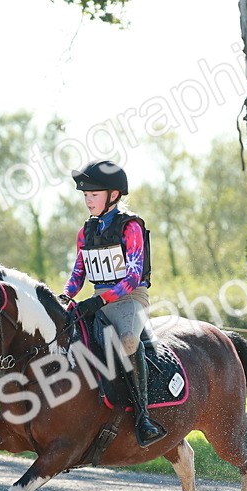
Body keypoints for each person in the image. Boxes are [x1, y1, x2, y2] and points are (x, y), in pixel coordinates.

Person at [62, 159, 167, 447]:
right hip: (98, 299)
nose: (88, 201)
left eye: (93, 195)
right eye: (85, 196)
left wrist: (99, 300)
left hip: (129, 299)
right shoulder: (86, 232)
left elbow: (133, 277)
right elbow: (78, 273)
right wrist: (65, 297)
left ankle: (143, 418)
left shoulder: (130, 226)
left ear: (114, 195)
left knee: (130, 342)